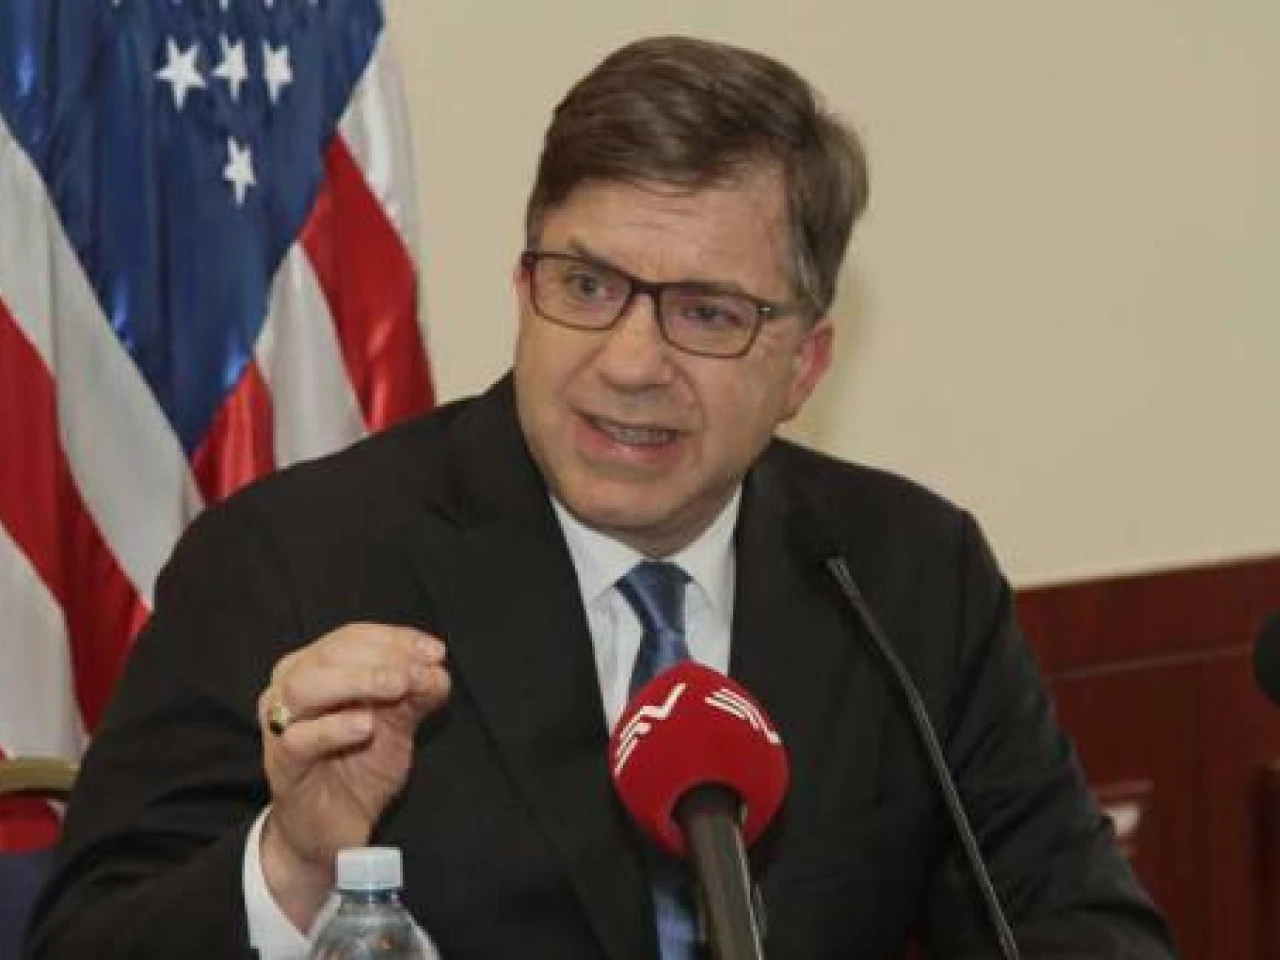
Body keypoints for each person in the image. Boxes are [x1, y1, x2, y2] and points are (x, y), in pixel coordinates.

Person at [27, 36, 1176, 960]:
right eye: (586, 285)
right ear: (522, 288)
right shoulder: (291, 561)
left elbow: (1076, 925)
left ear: (803, 366)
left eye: (707, 312)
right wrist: (294, 864)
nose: (629, 362)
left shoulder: (903, 573)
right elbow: (86, 941)